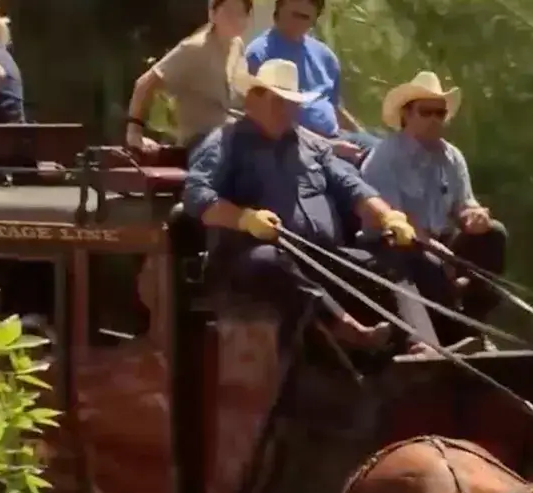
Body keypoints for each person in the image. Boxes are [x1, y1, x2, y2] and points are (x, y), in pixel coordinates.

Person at [183, 59, 422, 352]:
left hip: (319, 257)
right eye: (278, 101)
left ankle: (421, 345)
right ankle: (343, 326)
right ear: (253, 99)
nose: (286, 110)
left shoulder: (312, 146)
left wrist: (389, 218)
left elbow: (351, 187)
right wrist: (245, 219)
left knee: (391, 261)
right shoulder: (226, 142)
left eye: (292, 103)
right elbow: (196, 195)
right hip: (249, 265)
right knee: (269, 258)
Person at [360, 71, 505, 347]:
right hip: (394, 243)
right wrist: (435, 249)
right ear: (407, 114)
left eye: (440, 113)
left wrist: (475, 217)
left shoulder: (451, 156)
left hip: (439, 240)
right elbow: (392, 219)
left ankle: (475, 322)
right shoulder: (384, 158)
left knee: (494, 235)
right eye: (426, 112)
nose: (434, 120)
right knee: (427, 261)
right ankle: (451, 336)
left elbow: (464, 203)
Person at [243, 0, 376, 164]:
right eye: (294, 14)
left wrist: (362, 135)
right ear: (279, 9)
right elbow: (266, 117)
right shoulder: (259, 54)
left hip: (336, 137)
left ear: (314, 20)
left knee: (379, 152)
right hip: (293, 146)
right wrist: (328, 146)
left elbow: (334, 107)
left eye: (304, 17)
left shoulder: (325, 56)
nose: (297, 21)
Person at [125, 0, 250, 152]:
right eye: (228, 12)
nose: (234, 18)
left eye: (240, 13)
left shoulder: (237, 46)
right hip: (202, 145)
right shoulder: (194, 48)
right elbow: (145, 83)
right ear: (213, 13)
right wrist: (135, 131)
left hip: (232, 139)